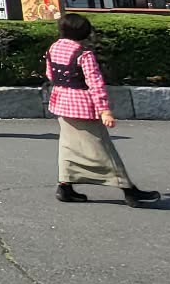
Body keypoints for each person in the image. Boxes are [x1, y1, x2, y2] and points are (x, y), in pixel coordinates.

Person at [46, 14, 159, 204]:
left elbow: (50, 74)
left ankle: (65, 186)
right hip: (81, 105)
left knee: (68, 146)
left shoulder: (53, 48)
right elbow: (94, 83)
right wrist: (104, 110)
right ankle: (128, 189)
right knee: (102, 147)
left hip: (61, 102)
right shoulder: (83, 54)